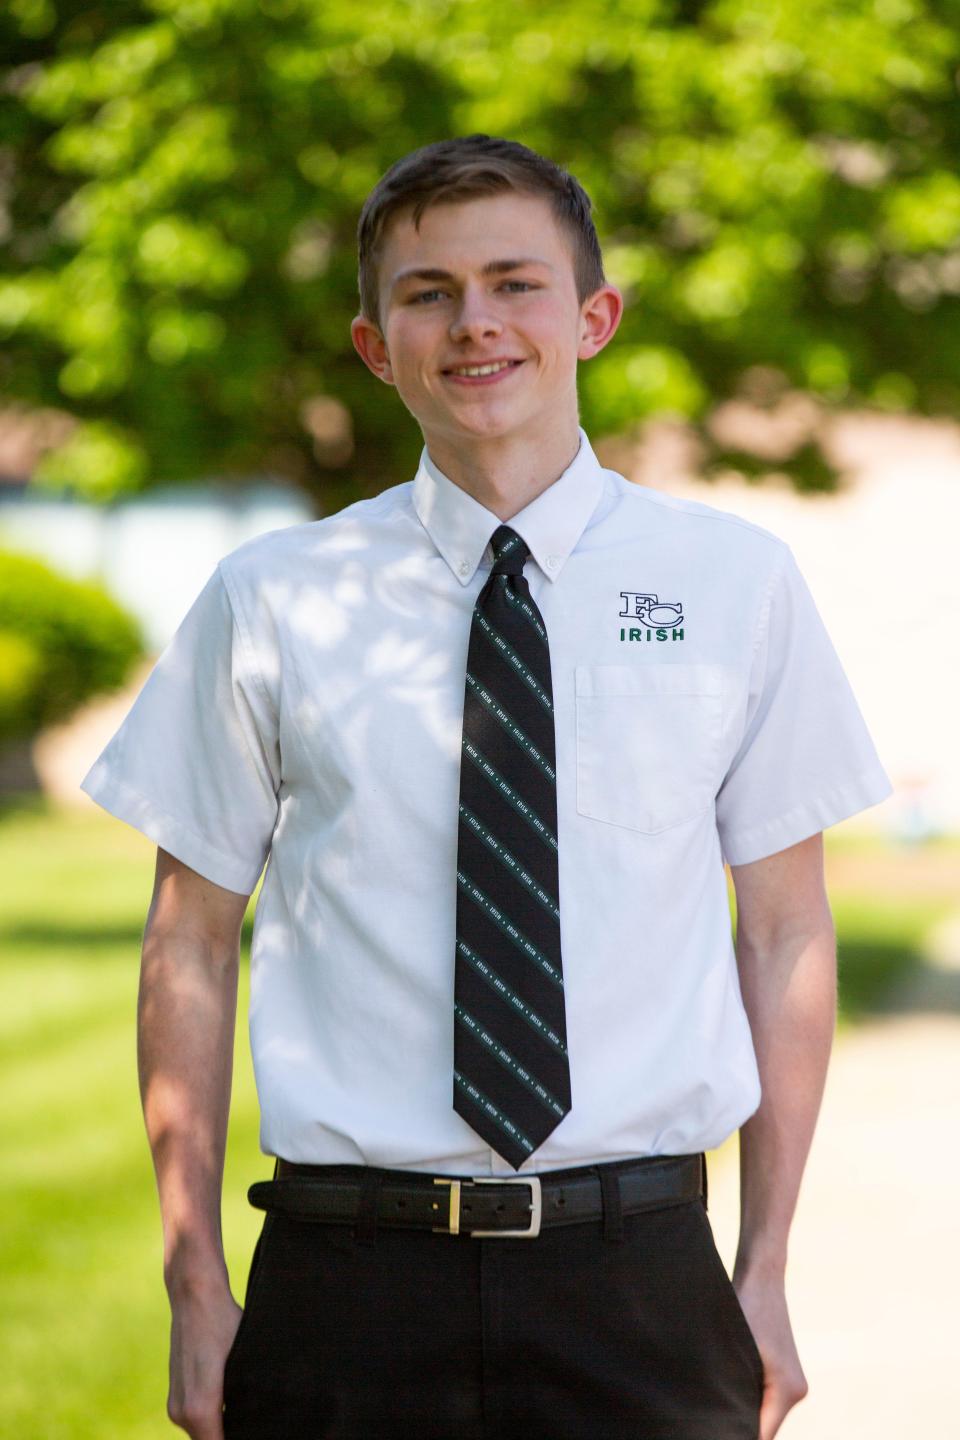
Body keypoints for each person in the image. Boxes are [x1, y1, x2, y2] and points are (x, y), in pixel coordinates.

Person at [80, 134, 892, 1440]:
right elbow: (189, 940)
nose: (476, 325)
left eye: (515, 282)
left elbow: (785, 930)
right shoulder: (274, 597)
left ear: (593, 317)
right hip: (346, 1278)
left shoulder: (734, 584)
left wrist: (767, 1265)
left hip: (640, 1275)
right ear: (372, 343)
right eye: (427, 293)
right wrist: (191, 1284)